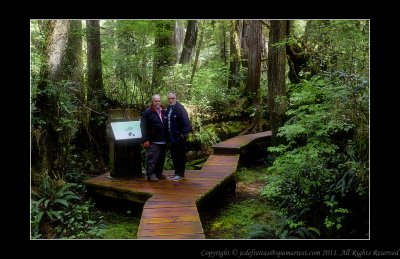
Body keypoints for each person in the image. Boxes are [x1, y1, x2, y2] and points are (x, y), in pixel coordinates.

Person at [140, 94, 167, 181]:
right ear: (152, 102)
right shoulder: (147, 112)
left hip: (163, 139)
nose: (157, 102)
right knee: (152, 159)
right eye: (155, 101)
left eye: (159, 101)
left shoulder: (164, 111)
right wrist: (145, 140)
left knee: (161, 159)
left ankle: (159, 174)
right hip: (153, 140)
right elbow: (143, 126)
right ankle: (150, 174)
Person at [165, 92, 191, 181]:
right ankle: (176, 173)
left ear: (175, 99)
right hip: (171, 137)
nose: (171, 100)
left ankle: (180, 174)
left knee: (180, 156)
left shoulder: (180, 108)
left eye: (172, 98)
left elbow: (186, 123)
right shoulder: (168, 108)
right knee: (174, 155)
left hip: (179, 137)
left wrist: (183, 135)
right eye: (169, 98)